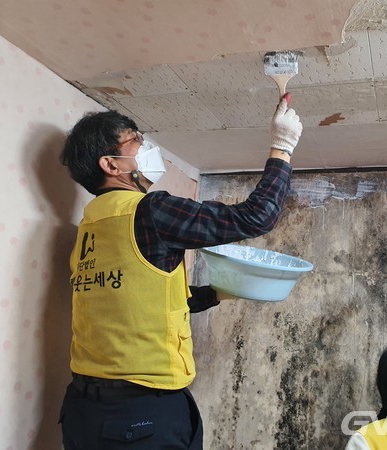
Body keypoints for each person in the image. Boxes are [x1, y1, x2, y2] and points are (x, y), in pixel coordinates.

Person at [58, 94, 302, 449]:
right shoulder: (150, 212)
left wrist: (218, 293)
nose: (148, 148)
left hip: (83, 413)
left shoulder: (88, 230)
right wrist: (282, 147)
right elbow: (256, 216)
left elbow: (139, 302)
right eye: (137, 142)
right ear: (111, 164)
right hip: (139, 417)